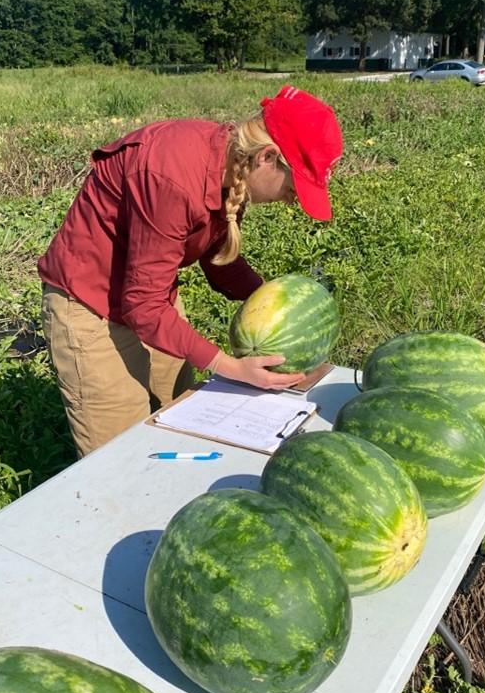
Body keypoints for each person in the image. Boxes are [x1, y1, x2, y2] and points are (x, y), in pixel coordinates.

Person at [37, 85, 343, 458]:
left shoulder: (234, 167)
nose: (293, 199)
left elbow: (219, 261)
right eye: (294, 186)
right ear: (267, 157)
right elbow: (142, 307)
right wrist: (231, 367)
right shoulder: (173, 175)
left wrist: (280, 307)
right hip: (92, 307)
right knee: (121, 455)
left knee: (178, 424)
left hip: (153, 298)